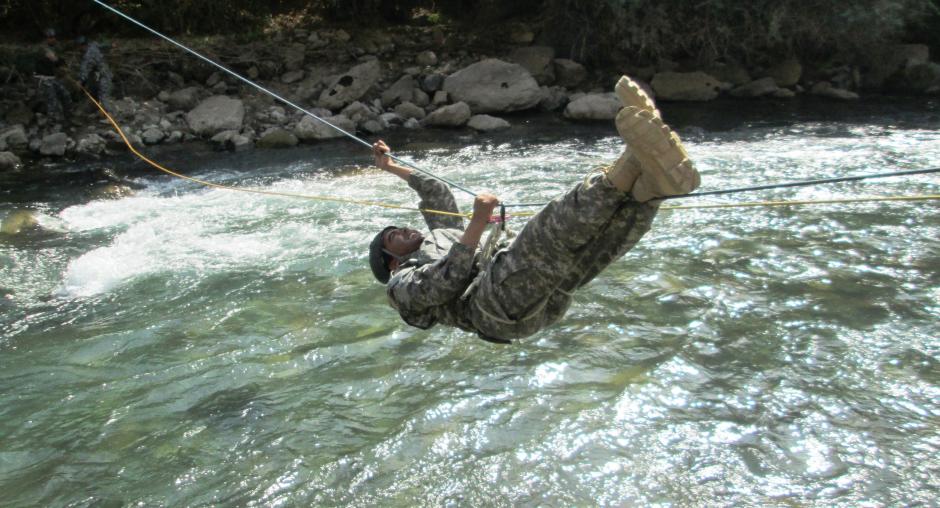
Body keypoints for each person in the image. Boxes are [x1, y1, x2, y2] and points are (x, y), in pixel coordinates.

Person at [368, 76, 701, 343]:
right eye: (393, 236)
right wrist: (478, 223)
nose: (404, 229)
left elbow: (434, 189)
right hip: (492, 305)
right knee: (547, 232)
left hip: (532, 294)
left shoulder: (440, 234)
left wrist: (390, 166)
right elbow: (445, 282)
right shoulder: (398, 286)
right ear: (392, 260)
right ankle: (631, 159)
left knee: (597, 245)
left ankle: (650, 188)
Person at [34, 28, 72, 126]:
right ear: (46, 38)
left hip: (52, 77)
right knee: (52, 100)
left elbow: (59, 60)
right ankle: (52, 123)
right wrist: (61, 64)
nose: (53, 39)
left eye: (54, 37)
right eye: (50, 37)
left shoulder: (53, 48)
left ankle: (67, 119)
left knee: (66, 95)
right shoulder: (43, 48)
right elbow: (54, 59)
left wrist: (63, 65)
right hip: (43, 78)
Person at [77, 36, 113, 105]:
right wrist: (111, 45)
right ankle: (97, 107)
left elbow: (85, 69)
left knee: (103, 98)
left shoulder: (88, 55)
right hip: (99, 76)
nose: (79, 49)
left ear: (82, 46)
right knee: (94, 91)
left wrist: (80, 81)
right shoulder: (93, 45)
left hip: (103, 76)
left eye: (79, 47)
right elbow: (102, 46)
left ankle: (107, 110)